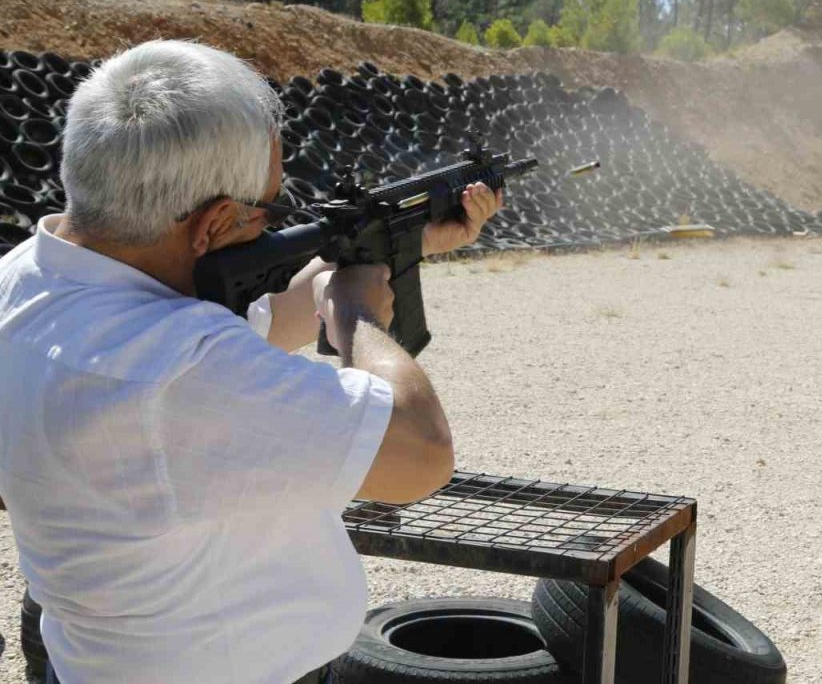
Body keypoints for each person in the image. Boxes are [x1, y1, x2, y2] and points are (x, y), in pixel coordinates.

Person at [0, 41, 502, 684]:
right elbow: (421, 455)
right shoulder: (178, 372)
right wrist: (358, 316)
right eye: (268, 211)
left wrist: (394, 244)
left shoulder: (31, 282)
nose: (272, 231)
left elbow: (244, 336)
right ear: (210, 225)